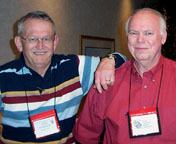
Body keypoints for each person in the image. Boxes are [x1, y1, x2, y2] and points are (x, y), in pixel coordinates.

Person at [0, 11, 126, 144]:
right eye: (32, 39)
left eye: (46, 39)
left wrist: (109, 61)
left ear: (55, 42)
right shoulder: (3, 77)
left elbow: (123, 61)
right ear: (19, 43)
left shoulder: (74, 68)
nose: (40, 45)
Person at [73, 8, 176, 144]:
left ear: (163, 37)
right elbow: (86, 136)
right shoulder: (106, 81)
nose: (140, 39)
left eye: (148, 33)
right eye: (133, 33)